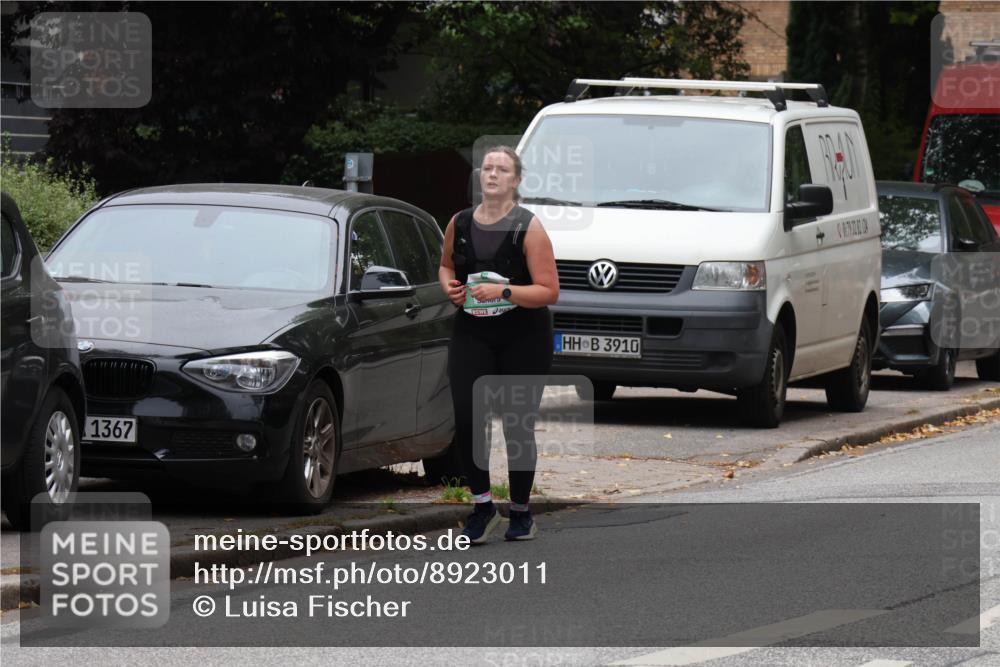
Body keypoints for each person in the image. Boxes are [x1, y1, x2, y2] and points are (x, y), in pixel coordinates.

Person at [438, 146, 559, 543]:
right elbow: (446, 267)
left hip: (523, 336)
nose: (492, 174)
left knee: (516, 425)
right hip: (472, 331)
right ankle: (482, 507)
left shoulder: (530, 228)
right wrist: (450, 289)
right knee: (469, 419)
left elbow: (548, 291)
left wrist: (503, 291)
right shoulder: (458, 222)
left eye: (501, 169)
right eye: (487, 168)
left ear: (516, 180)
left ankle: (521, 511)